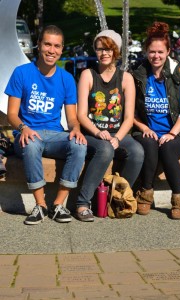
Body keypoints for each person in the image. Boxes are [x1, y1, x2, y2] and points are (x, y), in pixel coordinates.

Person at [5, 25, 87, 225]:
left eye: (57, 46)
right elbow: (12, 115)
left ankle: (58, 204)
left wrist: (76, 129)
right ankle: (40, 205)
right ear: (39, 45)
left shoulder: (66, 79)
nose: (52, 50)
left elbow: (72, 119)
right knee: (31, 143)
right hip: (27, 134)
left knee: (79, 145)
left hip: (54, 135)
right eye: (47, 44)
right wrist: (23, 128)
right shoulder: (22, 73)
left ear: (61, 49)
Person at [75, 29, 144, 222]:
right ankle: (82, 203)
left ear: (116, 52)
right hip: (92, 133)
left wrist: (117, 138)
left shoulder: (126, 78)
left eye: (109, 49)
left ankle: (117, 198)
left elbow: (129, 117)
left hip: (118, 133)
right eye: (99, 49)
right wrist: (98, 132)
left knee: (137, 152)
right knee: (105, 150)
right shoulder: (88, 75)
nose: (104, 53)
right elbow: (81, 115)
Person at [131, 22, 180, 220]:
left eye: (160, 51)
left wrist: (171, 134)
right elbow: (130, 111)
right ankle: (145, 193)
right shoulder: (138, 73)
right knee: (150, 145)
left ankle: (179, 198)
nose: (156, 56)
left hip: (177, 130)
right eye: (152, 52)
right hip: (146, 129)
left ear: (168, 51)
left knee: (167, 149)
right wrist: (143, 127)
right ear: (146, 51)